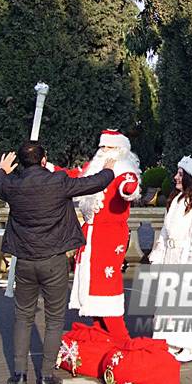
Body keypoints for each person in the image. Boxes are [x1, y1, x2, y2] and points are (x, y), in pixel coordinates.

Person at [0, 140, 115, 384]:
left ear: (21, 162)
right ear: (44, 160)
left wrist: (2, 169)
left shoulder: (12, 184)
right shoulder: (57, 181)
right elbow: (92, 184)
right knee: (55, 318)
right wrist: (109, 170)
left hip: (24, 260)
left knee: (22, 316)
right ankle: (46, 376)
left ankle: (20, 375)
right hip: (54, 260)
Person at [51, 130, 141, 342]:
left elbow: (128, 185)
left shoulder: (124, 169)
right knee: (93, 283)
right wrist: (48, 168)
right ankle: (103, 332)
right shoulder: (93, 167)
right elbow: (74, 176)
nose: (102, 151)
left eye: (107, 148)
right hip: (92, 233)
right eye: (101, 147)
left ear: (119, 150)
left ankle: (120, 337)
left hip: (109, 235)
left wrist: (129, 189)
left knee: (105, 283)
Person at [149, 156, 192, 363]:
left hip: (186, 257)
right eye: (177, 173)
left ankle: (191, 345)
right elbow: (164, 232)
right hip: (171, 256)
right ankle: (169, 339)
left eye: (181, 174)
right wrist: (159, 254)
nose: (176, 177)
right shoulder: (176, 201)